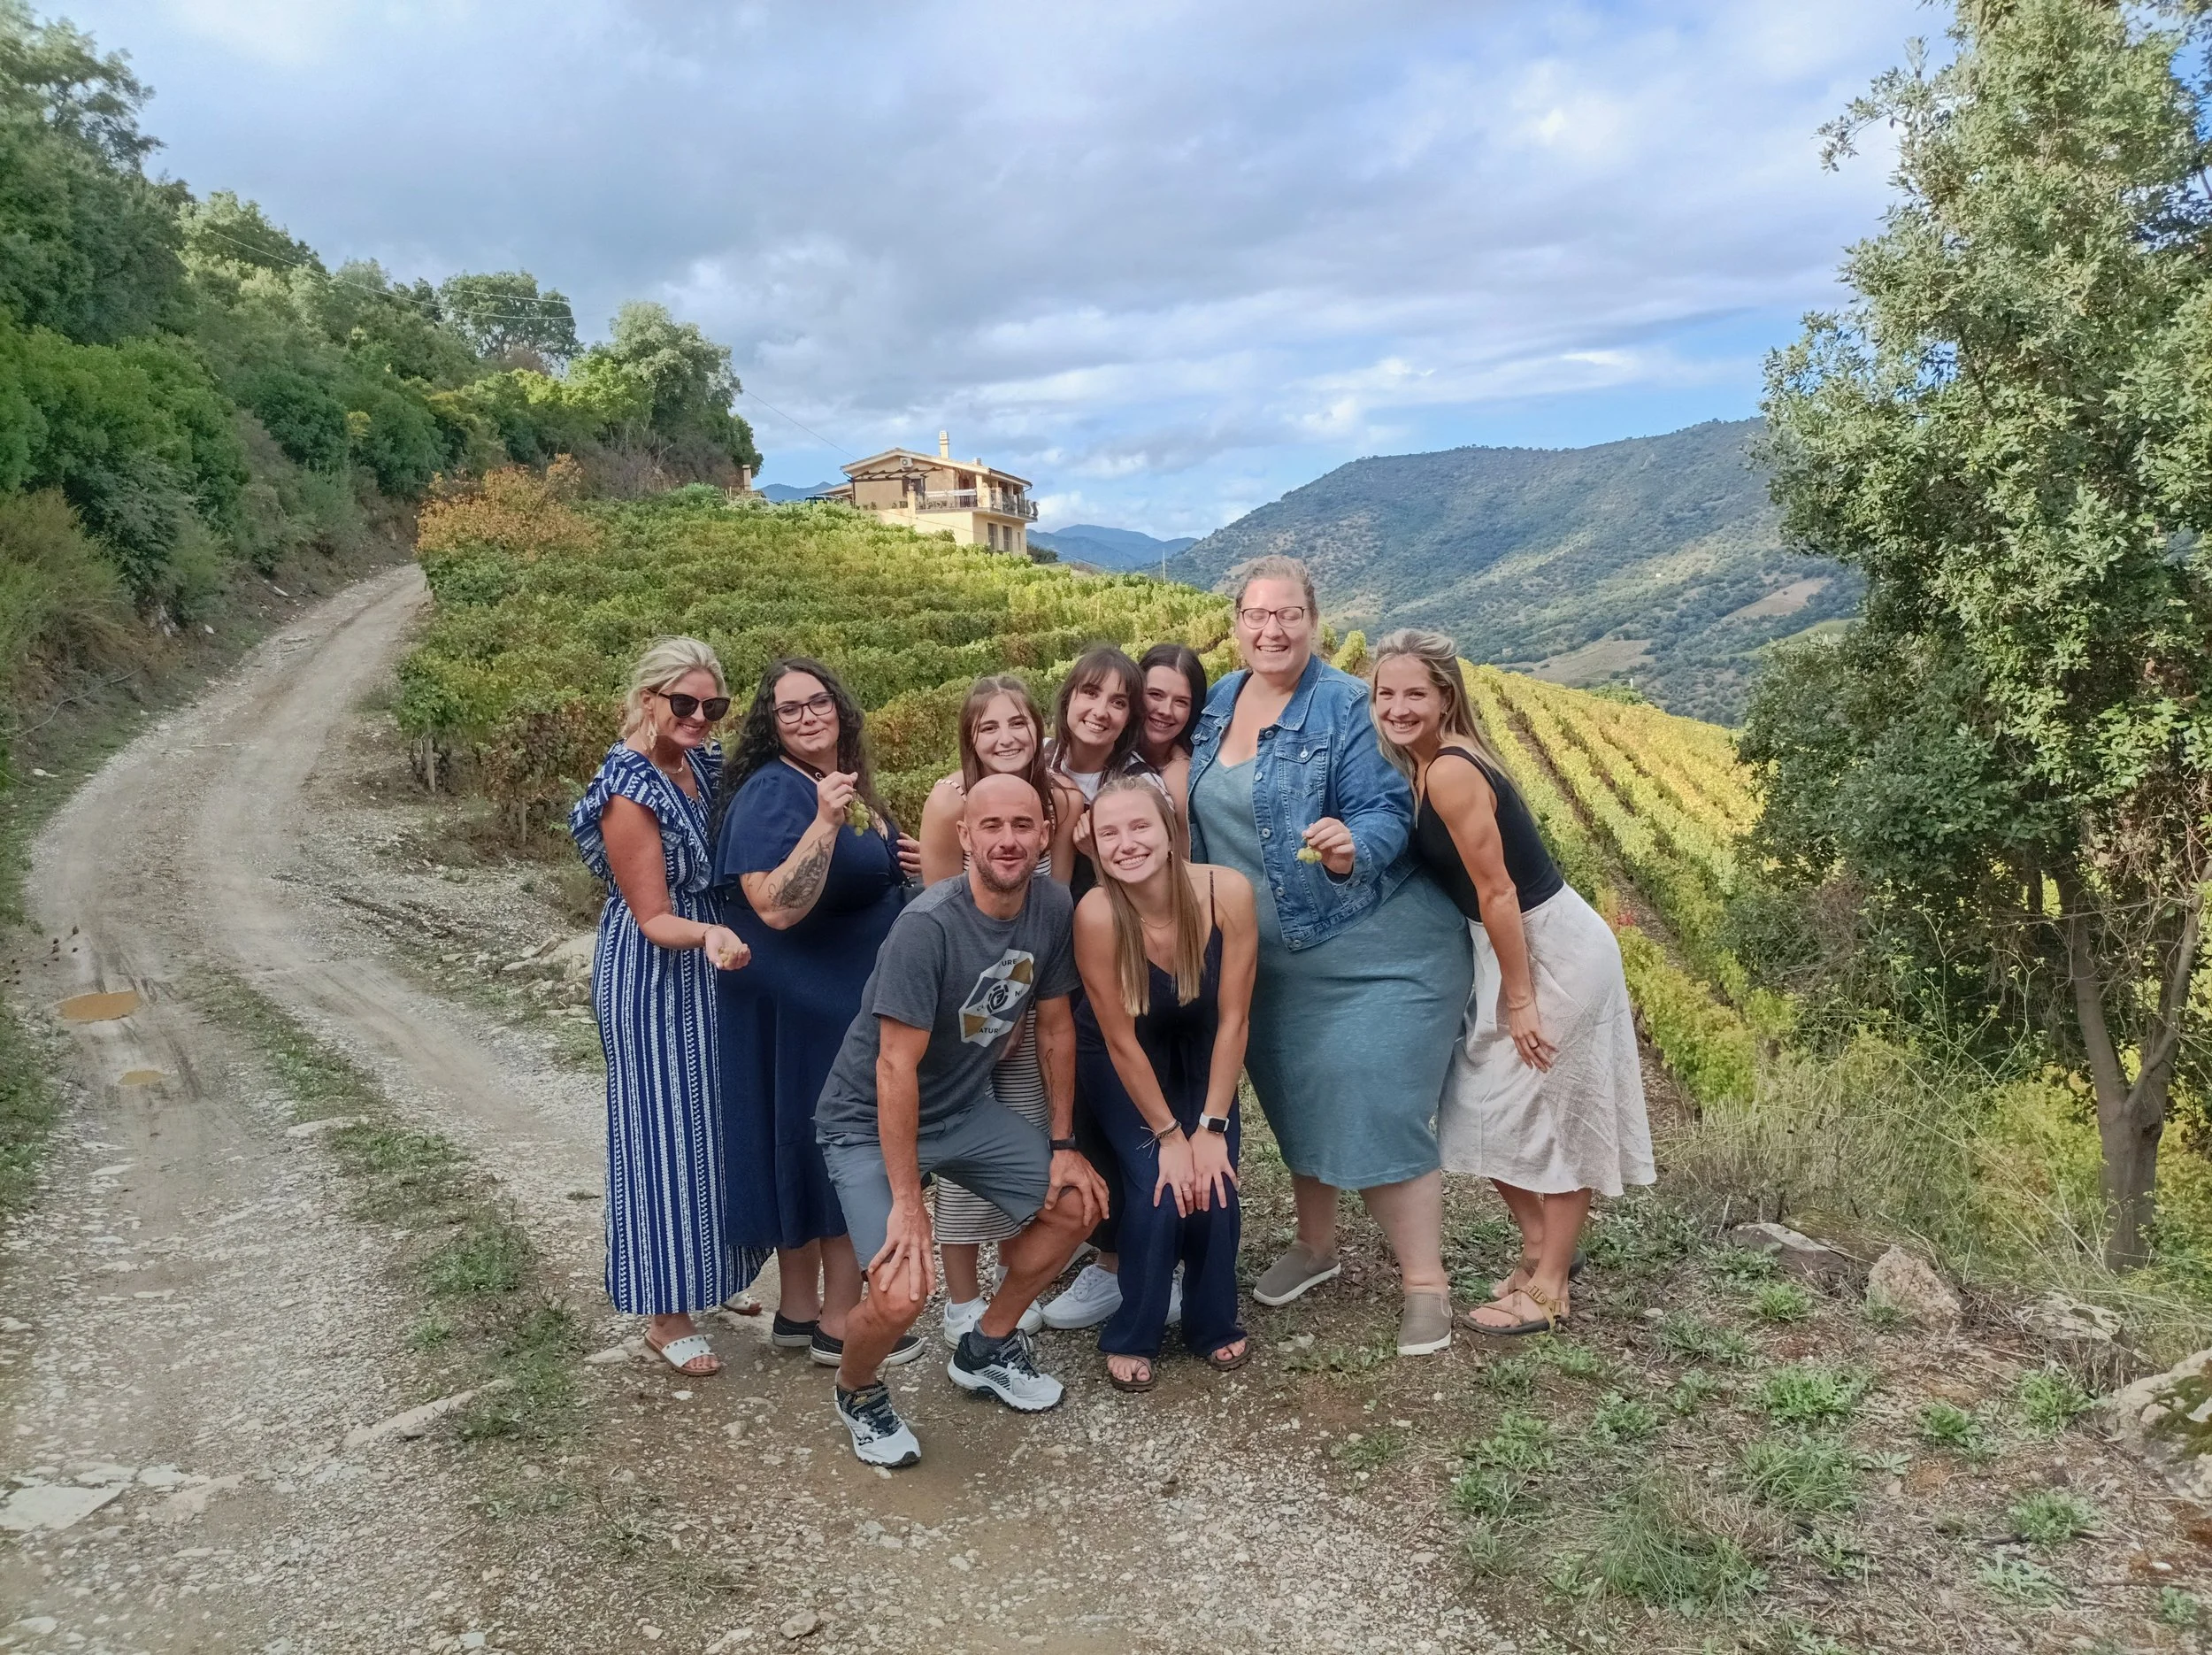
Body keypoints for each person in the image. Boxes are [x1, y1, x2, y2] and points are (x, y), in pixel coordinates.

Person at [1185, 556, 1474, 1358]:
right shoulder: (1215, 705)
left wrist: (1353, 847)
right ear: (1236, 622)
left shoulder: (1348, 706)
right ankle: (1317, 1248)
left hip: (1373, 944)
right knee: (1297, 1098)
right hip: (1269, 959)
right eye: (1256, 616)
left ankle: (1425, 1283)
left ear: (1314, 620)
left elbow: (1386, 809)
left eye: (1288, 616)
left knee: (1373, 1096)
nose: (1271, 630)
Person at [812, 774, 1110, 1467]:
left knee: (1079, 1202)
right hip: (867, 1120)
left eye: (1023, 826)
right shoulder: (926, 927)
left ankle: (988, 1343)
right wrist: (909, 1202)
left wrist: (1064, 1143)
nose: (1008, 840)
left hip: (960, 1111)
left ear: (1043, 835)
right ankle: (856, 1389)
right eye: (992, 827)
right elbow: (892, 1069)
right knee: (901, 1291)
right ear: (965, 836)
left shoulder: (1052, 905)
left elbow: (1057, 1026)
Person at [1368, 630, 1655, 1336]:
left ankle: (1551, 1287)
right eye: (1385, 693)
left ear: (1445, 698)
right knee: (1483, 1108)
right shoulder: (1428, 763)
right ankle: (1540, 1250)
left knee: (1551, 1113)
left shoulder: (1450, 771)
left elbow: (1497, 892)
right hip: (1517, 946)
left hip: (1544, 947)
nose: (1397, 707)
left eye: (1414, 693)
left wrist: (1519, 996)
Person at [711, 658, 926, 1370]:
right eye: (788, 710)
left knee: (802, 1149)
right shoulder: (777, 793)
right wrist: (828, 823)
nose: (807, 716)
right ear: (770, 728)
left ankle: (799, 1311)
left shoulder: (829, 782)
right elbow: (774, 904)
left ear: (840, 706)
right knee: (838, 1150)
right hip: (809, 1002)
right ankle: (841, 1321)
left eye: (818, 702)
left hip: (822, 999)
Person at [570, 637, 755, 1377]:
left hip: (708, 964)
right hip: (656, 972)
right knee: (659, 1137)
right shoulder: (628, 790)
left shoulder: (696, 765)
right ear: (648, 700)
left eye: (714, 706)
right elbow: (652, 916)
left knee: (709, 1128)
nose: (702, 718)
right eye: (685, 704)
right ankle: (664, 1313)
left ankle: (706, 1278)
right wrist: (711, 929)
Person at [1073, 775, 1256, 1390]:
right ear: (1094, 848)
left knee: (1216, 1180)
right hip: (1123, 1054)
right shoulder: (1097, 913)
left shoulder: (1227, 892)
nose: (1127, 843)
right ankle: (1135, 1328)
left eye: (1139, 826)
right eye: (1109, 833)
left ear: (1172, 831)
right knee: (1159, 1181)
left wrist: (1210, 1127)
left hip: (1203, 1041)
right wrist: (1170, 1136)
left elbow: (1235, 1019)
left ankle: (1211, 1321)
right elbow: (1121, 1040)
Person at [916, 676, 1082, 1343]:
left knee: (1028, 1131)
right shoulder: (946, 800)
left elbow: (1055, 903)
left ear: (1037, 727)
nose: (1005, 738)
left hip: (1034, 991)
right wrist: (985, 1010)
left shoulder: (1060, 799)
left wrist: (1022, 1009)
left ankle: (1016, 1272)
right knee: (960, 1138)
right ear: (970, 737)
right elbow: (934, 913)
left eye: (1017, 723)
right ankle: (961, 1297)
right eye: (989, 727)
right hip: (963, 1000)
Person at [1038, 643, 1156, 1331]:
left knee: (1119, 1107)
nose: (1102, 711)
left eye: (1119, 701)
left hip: (1117, 963)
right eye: (1091, 694)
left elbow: (1158, 883)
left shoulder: (1138, 784)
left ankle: (1125, 1266)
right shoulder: (1037, 765)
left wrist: (1091, 855)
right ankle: (1094, 1251)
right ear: (1068, 697)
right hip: (1049, 962)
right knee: (1065, 1110)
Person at [1135, 642, 1208, 834]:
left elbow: (1182, 858)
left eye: (1181, 702)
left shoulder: (1180, 777)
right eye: (1155, 695)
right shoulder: (1107, 748)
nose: (1166, 711)